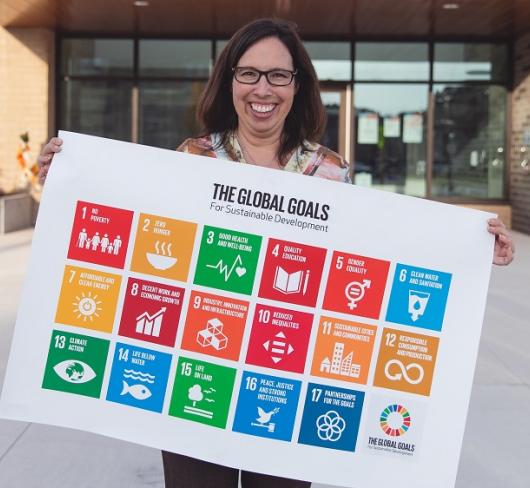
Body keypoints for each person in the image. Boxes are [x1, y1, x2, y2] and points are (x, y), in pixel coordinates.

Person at [37, 17, 514, 488]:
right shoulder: (192, 160)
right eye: (248, 73)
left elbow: (374, 252)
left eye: (278, 75)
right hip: (198, 374)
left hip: (291, 380)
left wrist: (468, 245)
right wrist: (68, 178)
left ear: (297, 85)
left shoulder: (330, 172)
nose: (262, 89)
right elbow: (137, 228)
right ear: (229, 82)